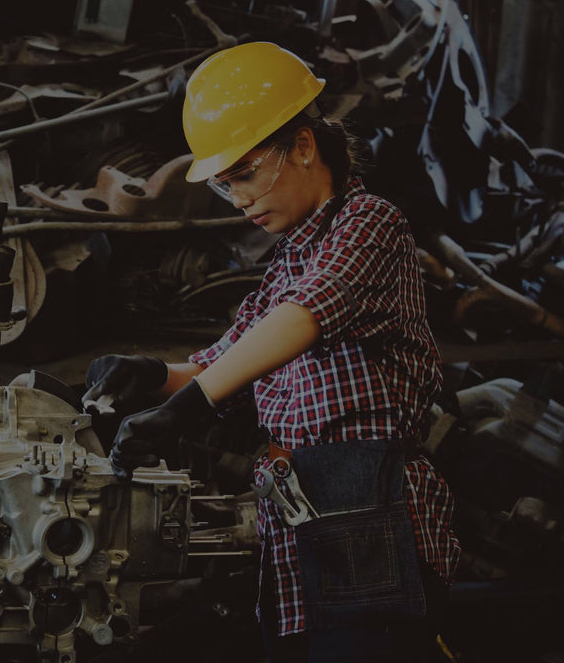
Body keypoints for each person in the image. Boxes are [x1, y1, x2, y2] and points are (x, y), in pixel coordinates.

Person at [82, 41, 460, 662]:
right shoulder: (286, 266)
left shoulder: (369, 224)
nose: (239, 200)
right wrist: (149, 376)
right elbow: (219, 364)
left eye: (247, 173)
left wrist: (193, 405)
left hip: (371, 516)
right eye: (227, 185)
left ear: (304, 147)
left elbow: (306, 316)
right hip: (298, 520)